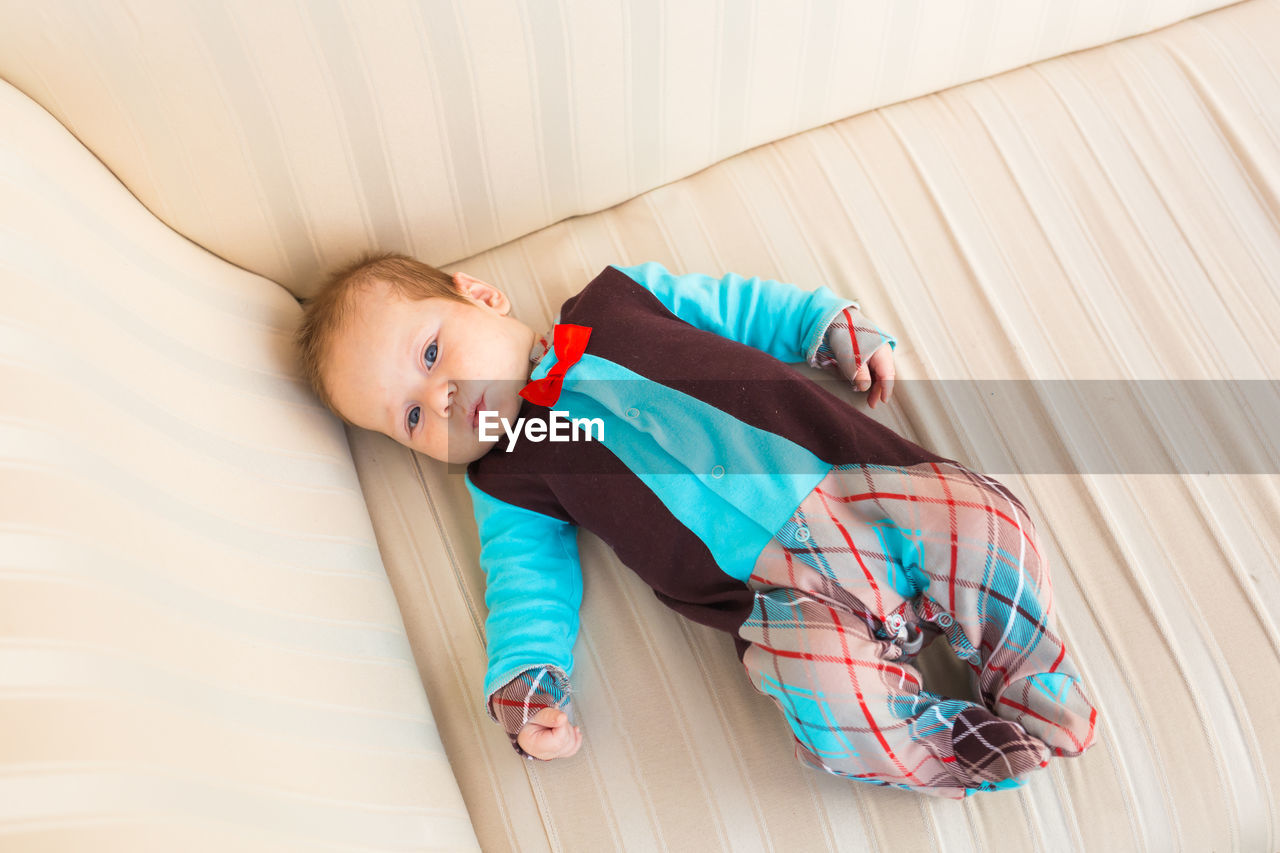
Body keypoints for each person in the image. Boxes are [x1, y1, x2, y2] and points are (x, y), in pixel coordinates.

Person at [295, 251, 1100, 799]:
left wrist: (827, 326)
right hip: (779, 602)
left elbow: (740, 307)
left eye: (431, 354)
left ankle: (1036, 677)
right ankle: (961, 748)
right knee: (823, 699)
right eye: (408, 415)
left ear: (479, 294)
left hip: (857, 484)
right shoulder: (509, 475)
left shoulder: (612, 302)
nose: (438, 399)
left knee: (985, 519)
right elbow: (523, 583)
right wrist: (527, 675)